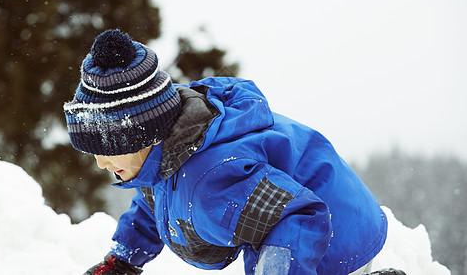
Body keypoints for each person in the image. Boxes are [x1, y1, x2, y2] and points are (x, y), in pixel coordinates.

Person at [63, 29, 406, 275]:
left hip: (333, 232)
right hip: (302, 217)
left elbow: (297, 217)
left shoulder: (211, 179)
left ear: (146, 134)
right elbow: (153, 202)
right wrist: (122, 261)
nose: (101, 163)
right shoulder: (163, 155)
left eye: (109, 149)